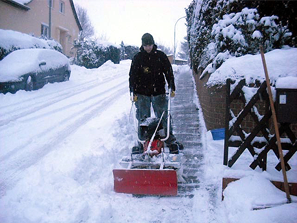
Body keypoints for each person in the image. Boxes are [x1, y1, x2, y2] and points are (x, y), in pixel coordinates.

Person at [129, 33, 183, 154]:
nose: (148, 48)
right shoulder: (138, 58)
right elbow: (132, 75)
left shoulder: (160, 56)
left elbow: (168, 72)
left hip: (158, 91)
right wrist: (132, 90)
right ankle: (142, 141)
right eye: (145, 45)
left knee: (163, 116)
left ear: (153, 44)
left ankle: (169, 139)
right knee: (143, 118)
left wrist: (171, 86)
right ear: (142, 45)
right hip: (142, 93)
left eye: (150, 45)